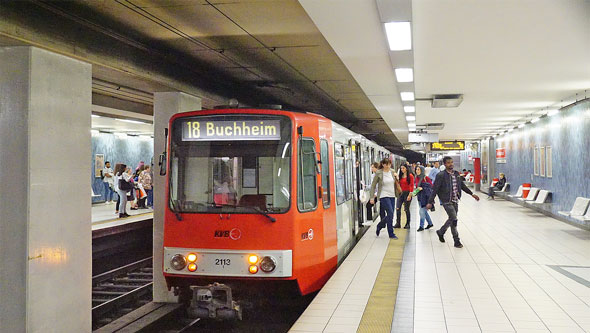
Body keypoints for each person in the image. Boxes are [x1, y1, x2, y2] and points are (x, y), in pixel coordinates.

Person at [427, 156, 480, 248]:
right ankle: (456, 241)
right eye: (448, 162)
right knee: (454, 219)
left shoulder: (456, 174)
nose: (451, 164)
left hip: (455, 200)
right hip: (446, 200)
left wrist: (472, 194)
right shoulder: (441, 175)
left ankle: (441, 232)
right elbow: (435, 189)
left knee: (452, 219)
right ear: (444, 164)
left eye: (451, 162)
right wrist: (430, 201)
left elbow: (462, 186)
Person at [369, 159, 401, 239]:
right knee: (390, 212)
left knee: (391, 215)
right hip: (383, 195)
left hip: (392, 195)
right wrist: (371, 197)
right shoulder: (379, 173)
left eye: (389, 164)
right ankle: (391, 233)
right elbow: (373, 186)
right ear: (383, 164)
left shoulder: (392, 171)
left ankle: (380, 225)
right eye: (386, 164)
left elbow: (396, 183)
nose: (388, 166)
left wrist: (397, 177)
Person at [410, 166, 434, 231]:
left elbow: (431, 187)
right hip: (420, 197)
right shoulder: (416, 178)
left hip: (425, 197)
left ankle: (421, 226)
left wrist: (423, 188)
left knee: (421, 211)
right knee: (424, 211)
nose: (417, 171)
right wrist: (414, 192)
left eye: (418, 170)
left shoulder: (426, 178)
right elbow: (417, 187)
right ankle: (430, 223)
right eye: (416, 169)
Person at [395, 164, 414, 229]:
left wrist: (410, 195)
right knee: (398, 208)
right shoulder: (400, 176)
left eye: (403, 168)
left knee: (406, 209)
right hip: (400, 193)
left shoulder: (410, 176)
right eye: (401, 168)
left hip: (407, 193)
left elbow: (411, 185)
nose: (402, 169)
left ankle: (408, 223)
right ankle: (398, 223)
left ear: (406, 168)